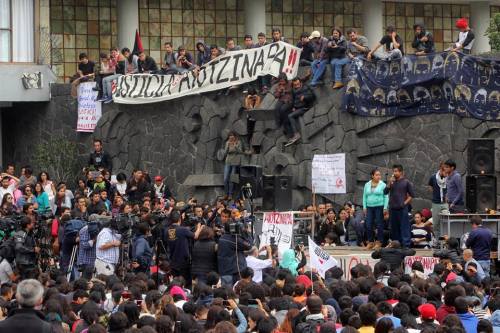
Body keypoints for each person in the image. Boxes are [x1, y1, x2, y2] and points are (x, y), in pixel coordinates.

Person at [167, 210, 201, 287]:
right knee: (186, 282)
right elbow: (195, 236)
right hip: (184, 262)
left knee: (175, 282)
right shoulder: (183, 230)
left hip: (173, 261)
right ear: (179, 220)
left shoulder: (167, 231)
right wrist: (199, 227)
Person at [384, 164, 415, 248]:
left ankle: (406, 245)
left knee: (404, 227)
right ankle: (396, 245)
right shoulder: (392, 182)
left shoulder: (406, 182)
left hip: (402, 209)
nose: (394, 173)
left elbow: (412, 195)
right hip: (392, 208)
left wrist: (404, 203)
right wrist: (389, 183)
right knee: (394, 228)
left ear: (401, 172)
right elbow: (385, 192)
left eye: (396, 171)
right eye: (393, 171)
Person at [217, 222, 252, 286]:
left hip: (224, 271)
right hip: (234, 271)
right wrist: (246, 232)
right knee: (236, 291)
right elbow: (249, 246)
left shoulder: (222, 238)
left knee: (226, 292)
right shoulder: (234, 240)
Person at [285, 78, 315, 146]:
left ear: (300, 82)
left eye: (298, 84)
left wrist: (305, 97)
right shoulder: (293, 90)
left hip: (304, 107)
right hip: (297, 108)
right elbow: (293, 100)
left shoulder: (305, 87)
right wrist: (293, 107)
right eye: (295, 85)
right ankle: (291, 136)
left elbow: (312, 96)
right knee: (285, 115)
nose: (297, 86)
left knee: (290, 116)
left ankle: (296, 135)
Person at [363, 169, 388, 250]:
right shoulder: (367, 184)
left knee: (379, 224)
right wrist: (364, 207)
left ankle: (379, 242)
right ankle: (370, 242)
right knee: (368, 224)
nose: (379, 176)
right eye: (377, 175)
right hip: (369, 207)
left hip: (379, 206)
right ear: (372, 176)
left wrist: (385, 207)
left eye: (379, 175)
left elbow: (386, 196)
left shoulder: (383, 185)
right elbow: (364, 196)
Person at [428, 163, 447, 240]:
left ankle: (446, 240)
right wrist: (434, 192)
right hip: (436, 203)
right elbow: (429, 186)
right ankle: (437, 241)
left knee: (446, 221)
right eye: (443, 170)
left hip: (445, 203)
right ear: (440, 169)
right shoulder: (433, 177)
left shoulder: (447, 177)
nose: (445, 172)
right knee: (436, 223)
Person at [223, 132, 243, 198]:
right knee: (225, 178)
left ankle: (230, 194)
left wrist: (235, 146)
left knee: (232, 178)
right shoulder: (227, 142)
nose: (231, 137)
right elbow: (225, 153)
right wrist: (228, 146)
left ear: (235, 136)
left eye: (232, 136)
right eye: (230, 136)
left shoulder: (238, 142)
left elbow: (240, 151)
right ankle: (226, 193)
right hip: (228, 161)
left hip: (235, 162)